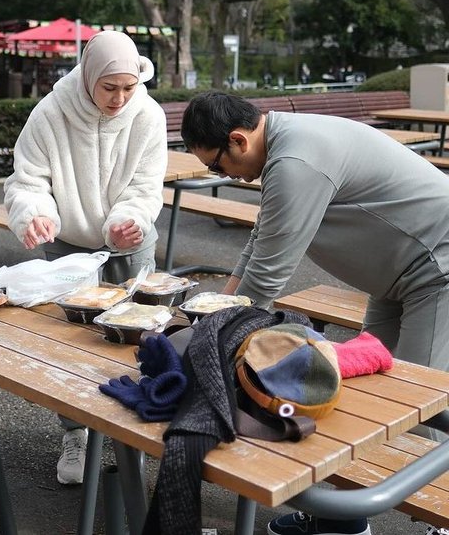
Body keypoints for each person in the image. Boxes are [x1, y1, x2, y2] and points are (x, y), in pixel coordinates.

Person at [181, 91, 449, 535]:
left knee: (418, 404)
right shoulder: (284, 146)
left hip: (437, 268)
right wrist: (217, 311)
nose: (223, 176)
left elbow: (268, 277)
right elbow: (260, 244)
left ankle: (441, 521)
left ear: (238, 141)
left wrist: (215, 339)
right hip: (399, 273)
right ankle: (341, 520)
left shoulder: (295, 161)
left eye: (216, 166)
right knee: (362, 396)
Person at [4, 30, 168, 485]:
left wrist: (129, 218)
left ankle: (133, 434)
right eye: (108, 87)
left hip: (131, 242)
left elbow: (146, 186)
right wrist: (35, 214)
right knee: (73, 345)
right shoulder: (51, 112)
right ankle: (74, 433)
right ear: (88, 77)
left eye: (128, 88)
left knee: (139, 340)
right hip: (69, 245)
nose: (119, 99)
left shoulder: (148, 116)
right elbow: (28, 180)